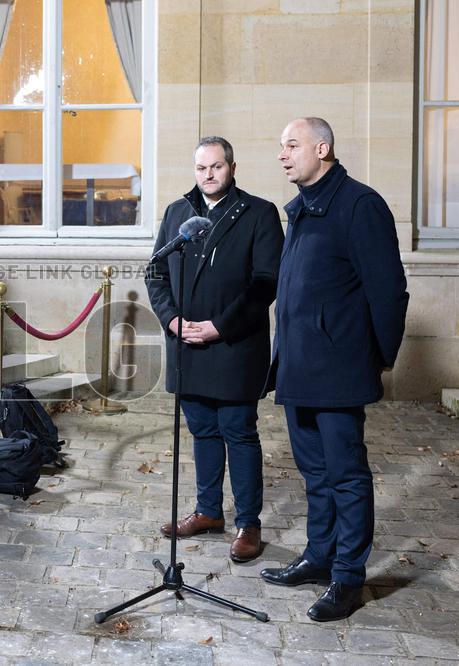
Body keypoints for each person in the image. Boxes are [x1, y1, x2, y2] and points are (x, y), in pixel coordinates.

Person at [259, 117, 408, 622]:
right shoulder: (302, 210)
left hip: (338, 370)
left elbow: (389, 292)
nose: (283, 155)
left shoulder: (360, 205)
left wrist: (379, 359)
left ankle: (348, 577)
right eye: (281, 147)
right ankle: (319, 558)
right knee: (315, 474)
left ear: (322, 148)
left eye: (292, 145)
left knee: (345, 476)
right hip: (299, 367)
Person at [146, 136, 284, 564]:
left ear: (232, 167)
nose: (209, 175)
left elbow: (266, 283)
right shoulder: (176, 213)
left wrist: (218, 327)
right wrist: (172, 320)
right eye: (202, 168)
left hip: (235, 345)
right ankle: (208, 511)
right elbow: (156, 273)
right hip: (186, 344)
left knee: (239, 432)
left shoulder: (259, 213)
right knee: (202, 430)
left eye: (217, 167)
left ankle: (249, 523)